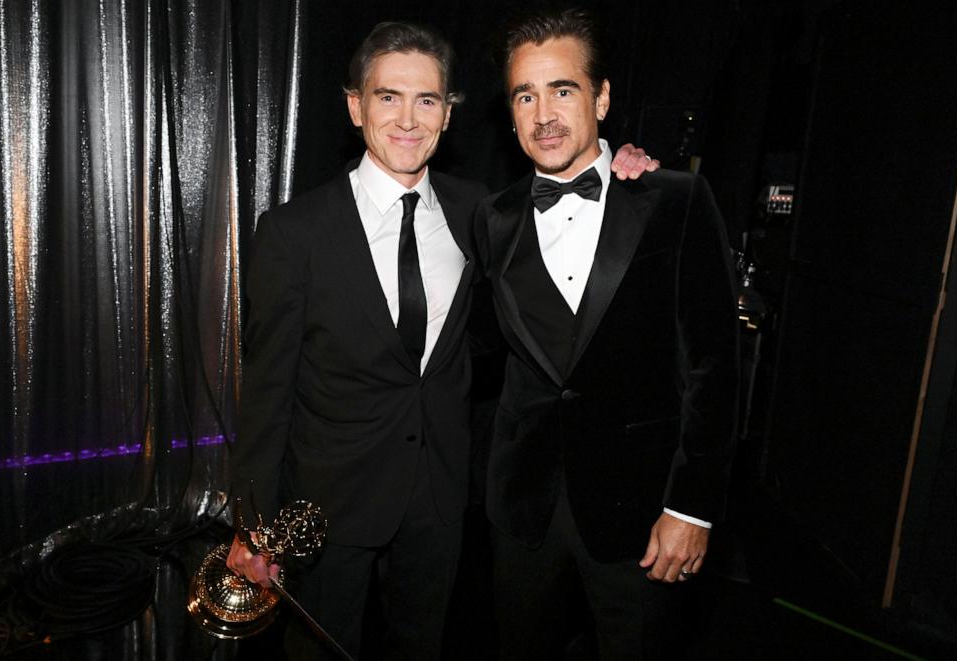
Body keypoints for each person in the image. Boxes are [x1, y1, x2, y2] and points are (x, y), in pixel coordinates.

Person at [225, 20, 657, 660]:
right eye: (387, 97)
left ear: (449, 115)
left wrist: (626, 168)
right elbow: (265, 391)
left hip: (440, 492)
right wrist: (253, 526)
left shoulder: (481, 211)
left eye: (427, 100)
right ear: (354, 106)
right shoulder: (293, 233)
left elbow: (571, 221)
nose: (408, 119)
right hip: (325, 505)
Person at [474, 8, 739, 660]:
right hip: (524, 512)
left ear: (603, 96)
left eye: (563, 89)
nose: (544, 114)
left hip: (643, 516)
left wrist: (692, 507)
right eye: (525, 95)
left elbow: (714, 368)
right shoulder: (493, 217)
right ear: (509, 113)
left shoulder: (675, 198)